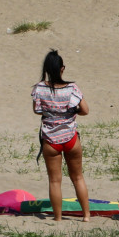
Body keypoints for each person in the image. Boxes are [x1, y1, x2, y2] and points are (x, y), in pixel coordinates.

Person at [31, 48, 89, 221]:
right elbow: (85, 110)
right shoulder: (71, 88)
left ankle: (57, 218)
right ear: (62, 69)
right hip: (71, 138)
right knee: (77, 177)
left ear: (47, 69)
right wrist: (72, 111)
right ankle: (86, 216)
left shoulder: (39, 88)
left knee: (55, 181)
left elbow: (37, 110)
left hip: (50, 141)